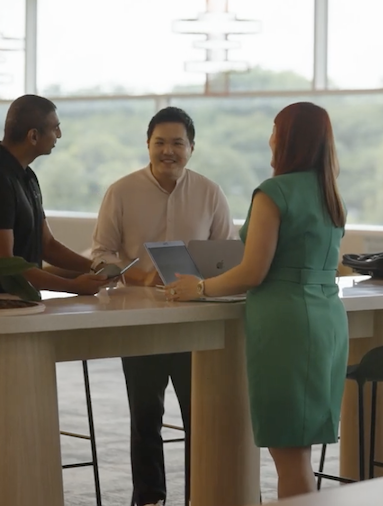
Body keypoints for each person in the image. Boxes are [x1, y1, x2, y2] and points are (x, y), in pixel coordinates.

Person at [164, 101, 347, 500]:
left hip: (286, 326)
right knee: (302, 450)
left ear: (287, 139)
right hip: (328, 320)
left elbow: (253, 271)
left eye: (275, 129)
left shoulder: (274, 192)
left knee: (290, 457)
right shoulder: (329, 193)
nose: (270, 137)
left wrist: (200, 288)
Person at [91, 106, 235, 506]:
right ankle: (149, 497)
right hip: (140, 320)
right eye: (160, 143)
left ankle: (200, 493)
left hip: (197, 321)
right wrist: (136, 276)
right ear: (148, 145)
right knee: (145, 415)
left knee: (199, 417)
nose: (167, 151)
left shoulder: (210, 192)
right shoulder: (121, 191)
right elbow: (101, 254)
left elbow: (226, 254)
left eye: (177, 143)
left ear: (192, 147)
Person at [0, 94, 109, 295]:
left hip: (21, 304)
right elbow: (3, 264)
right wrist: (72, 286)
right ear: (33, 136)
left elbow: (47, 245)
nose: (60, 134)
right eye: (55, 128)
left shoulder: (27, 175)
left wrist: (96, 268)